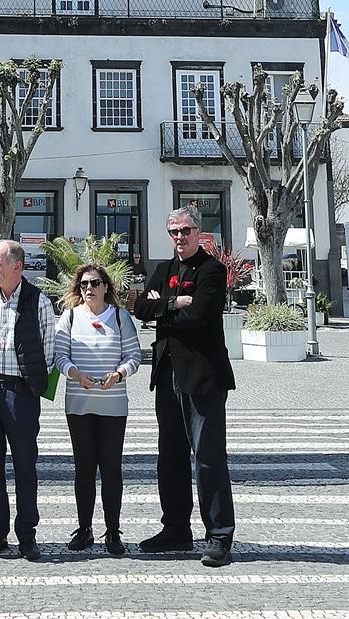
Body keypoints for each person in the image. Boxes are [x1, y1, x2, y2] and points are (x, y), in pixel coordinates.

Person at [134, 205, 236, 567]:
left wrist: (161, 308)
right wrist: (173, 302)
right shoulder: (163, 270)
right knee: (170, 457)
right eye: (174, 231)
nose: (179, 237)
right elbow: (139, 308)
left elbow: (199, 317)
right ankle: (175, 528)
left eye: (186, 230)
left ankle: (220, 535)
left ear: (199, 232)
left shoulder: (213, 270)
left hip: (203, 375)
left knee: (208, 458)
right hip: (166, 374)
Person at [0, 238, 57, 561]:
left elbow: (50, 349)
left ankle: (27, 535)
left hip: (20, 393)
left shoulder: (38, 302)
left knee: (24, 466)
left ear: (17, 266)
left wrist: (34, 386)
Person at [53, 262, 143, 556]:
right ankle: (85, 528)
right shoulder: (68, 317)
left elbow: (133, 356)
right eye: (83, 284)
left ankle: (113, 531)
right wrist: (75, 373)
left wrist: (119, 374)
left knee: (112, 468)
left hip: (113, 404)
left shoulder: (119, 317)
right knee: (84, 468)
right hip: (79, 404)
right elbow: (59, 357)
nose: (89, 289)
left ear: (106, 286)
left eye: (94, 283)